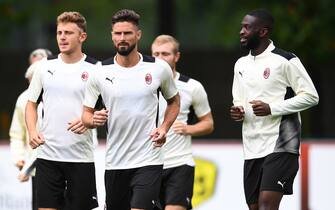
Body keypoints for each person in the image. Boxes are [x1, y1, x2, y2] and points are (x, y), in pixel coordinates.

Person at [81, 9, 180, 210]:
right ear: (112, 36)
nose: (122, 38)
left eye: (127, 33)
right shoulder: (99, 72)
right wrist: (94, 120)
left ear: (138, 35)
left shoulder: (158, 68)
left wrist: (164, 128)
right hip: (115, 162)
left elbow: (174, 102)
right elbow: (86, 116)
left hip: (149, 158)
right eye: (118, 34)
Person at [230, 9, 319, 210]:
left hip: (281, 144)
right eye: (242, 27)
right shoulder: (240, 64)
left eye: (247, 27)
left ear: (263, 32)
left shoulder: (285, 60)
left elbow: (311, 96)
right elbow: (239, 99)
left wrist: (273, 108)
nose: (241, 32)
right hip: (252, 146)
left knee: (266, 206)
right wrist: (238, 111)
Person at [25, 11, 99, 210]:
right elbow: (31, 104)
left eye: (68, 32)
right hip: (48, 156)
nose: (63, 37)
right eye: (59, 33)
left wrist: (90, 119)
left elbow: (108, 110)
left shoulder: (96, 69)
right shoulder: (43, 66)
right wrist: (32, 131)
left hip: (81, 158)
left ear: (82, 36)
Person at [151, 35, 214, 210]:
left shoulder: (192, 86)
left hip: (179, 163)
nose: (160, 58)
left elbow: (208, 123)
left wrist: (188, 128)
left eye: (165, 54)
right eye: (156, 54)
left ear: (176, 56)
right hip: (149, 164)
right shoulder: (143, 84)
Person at [9, 48, 52, 210]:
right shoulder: (23, 100)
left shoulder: (60, 96)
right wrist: (19, 158)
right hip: (37, 170)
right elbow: (17, 133)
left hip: (65, 164)